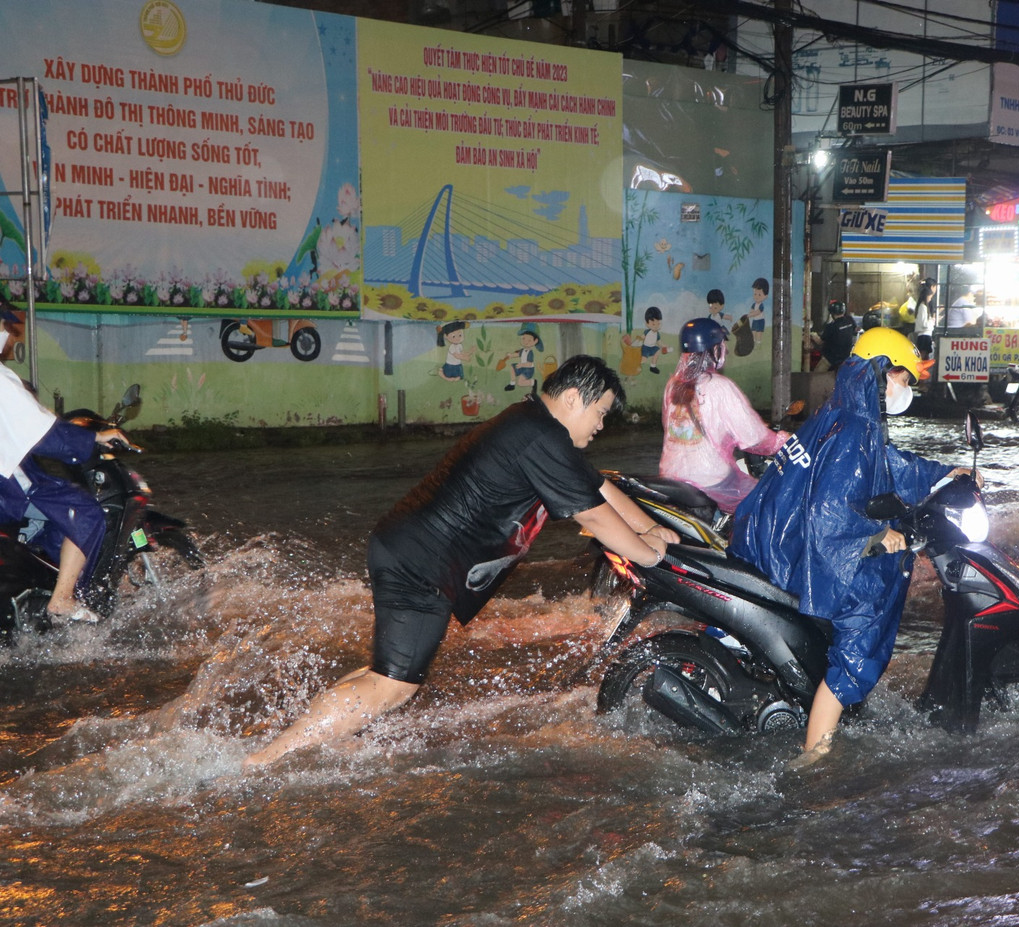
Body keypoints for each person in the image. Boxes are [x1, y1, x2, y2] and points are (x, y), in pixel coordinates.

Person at [244, 356, 681, 768]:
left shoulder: (532, 424)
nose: (602, 425)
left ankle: (302, 739)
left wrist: (651, 530)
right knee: (393, 685)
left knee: (387, 676)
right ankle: (267, 761)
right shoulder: (537, 435)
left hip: (409, 551)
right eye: (601, 413)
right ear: (572, 399)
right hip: (419, 565)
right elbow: (589, 514)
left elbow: (596, 488)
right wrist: (649, 556)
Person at [731, 328, 971, 770]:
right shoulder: (854, 427)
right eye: (902, 377)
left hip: (768, 538)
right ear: (881, 373)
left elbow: (887, 464)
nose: (905, 389)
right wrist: (876, 537)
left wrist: (941, 473)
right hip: (795, 546)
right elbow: (829, 512)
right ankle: (811, 760)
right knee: (863, 624)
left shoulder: (845, 414)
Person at [0, 316, 126, 622]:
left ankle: (51, 587)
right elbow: (45, 436)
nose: (6, 333)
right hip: (9, 485)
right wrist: (94, 437)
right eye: (2, 325)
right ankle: (63, 598)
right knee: (85, 511)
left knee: (52, 519)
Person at [659, 319, 788, 514]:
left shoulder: (673, 385)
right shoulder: (720, 386)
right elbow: (754, 437)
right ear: (714, 349)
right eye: (722, 346)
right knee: (766, 498)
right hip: (710, 478)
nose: (725, 350)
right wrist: (782, 441)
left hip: (671, 475)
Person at [814, 298, 859, 371]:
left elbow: (820, 342)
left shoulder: (831, 326)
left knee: (817, 373)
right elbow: (855, 331)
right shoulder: (849, 320)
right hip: (846, 356)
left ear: (832, 313)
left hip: (831, 358)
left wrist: (813, 335)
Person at [910, 277, 938, 357]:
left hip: (926, 335)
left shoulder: (924, 306)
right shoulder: (923, 307)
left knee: (925, 356)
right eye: (935, 287)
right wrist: (932, 320)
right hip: (924, 336)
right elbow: (924, 324)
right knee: (923, 357)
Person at [748, 277, 768, 346]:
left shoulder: (761, 305)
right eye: (755, 294)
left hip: (760, 321)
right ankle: (753, 343)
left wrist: (750, 315)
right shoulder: (754, 304)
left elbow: (758, 312)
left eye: (759, 294)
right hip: (755, 321)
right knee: (753, 331)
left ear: (765, 296)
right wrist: (749, 314)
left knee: (759, 333)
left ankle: (758, 344)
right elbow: (751, 311)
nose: (756, 296)